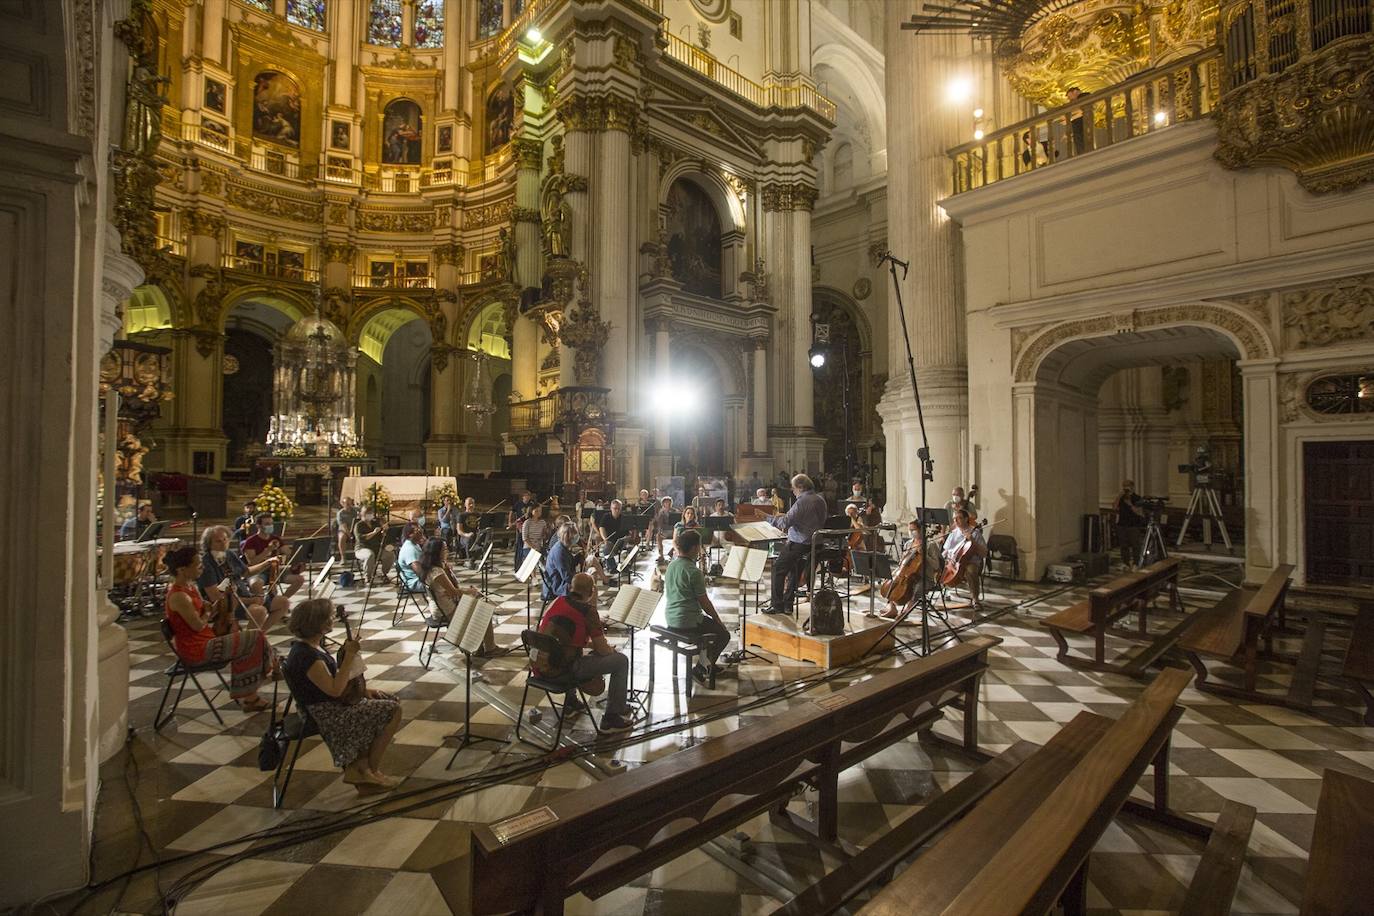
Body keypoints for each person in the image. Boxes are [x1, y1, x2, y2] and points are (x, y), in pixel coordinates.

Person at [283, 598, 403, 792]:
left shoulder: (312, 646)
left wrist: (363, 691)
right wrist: (347, 658)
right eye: (329, 617)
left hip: (327, 703)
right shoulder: (307, 657)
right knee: (393, 710)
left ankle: (362, 769)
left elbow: (330, 686)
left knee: (387, 699)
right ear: (319, 625)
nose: (333, 619)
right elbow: (335, 690)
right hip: (323, 712)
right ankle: (368, 773)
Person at [162, 546, 275, 712]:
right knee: (255, 638)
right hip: (196, 650)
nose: (202, 567)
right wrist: (208, 611)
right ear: (182, 569)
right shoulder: (179, 596)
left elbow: (207, 612)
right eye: (198, 565)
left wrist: (223, 599)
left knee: (253, 641)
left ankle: (251, 694)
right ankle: (253, 692)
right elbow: (198, 625)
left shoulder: (190, 588)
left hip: (206, 640)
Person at [534, 573, 634, 732]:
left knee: (574, 651)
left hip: (540, 667)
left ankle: (571, 701)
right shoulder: (587, 611)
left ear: (569, 588)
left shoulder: (557, 601)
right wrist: (610, 650)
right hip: (563, 671)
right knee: (621, 661)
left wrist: (594, 647)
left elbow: (561, 639)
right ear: (592, 591)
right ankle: (612, 717)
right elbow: (602, 649)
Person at [662, 529, 730, 683]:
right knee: (723, 634)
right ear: (693, 548)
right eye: (699, 546)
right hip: (688, 621)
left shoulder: (671, 565)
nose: (700, 549)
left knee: (710, 628)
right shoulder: (693, 571)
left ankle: (708, 663)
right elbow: (705, 603)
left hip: (671, 617)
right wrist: (717, 619)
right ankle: (701, 667)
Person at [198, 525, 288, 633]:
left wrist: (267, 563)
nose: (223, 543)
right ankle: (248, 644)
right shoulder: (206, 563)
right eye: (218, 541)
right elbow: (215, 596)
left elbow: (246, 572)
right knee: (259, 612)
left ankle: (259, 637)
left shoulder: (229, 554)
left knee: (283, 602)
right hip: (226, 605)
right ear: (209, 544)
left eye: (225, 539)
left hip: (244, 597)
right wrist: (252, 600)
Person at [418, 539, 496, 653]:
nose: (447, 551)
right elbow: (453, 592)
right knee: (484, 611)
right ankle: (490, 648)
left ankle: (478, 647)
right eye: (444, 549)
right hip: (445, 610)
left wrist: (447, 570)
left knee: (478, 604)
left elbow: (446, 591)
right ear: (436, 552)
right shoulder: (437, 572)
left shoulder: (430, 567)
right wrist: (471, 591)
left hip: (440, 605)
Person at [767, 474, 829, 614]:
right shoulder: (820, 499)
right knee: (794, 570)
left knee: (778, 568)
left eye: (794, 488)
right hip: (816, 543)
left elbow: (784, 523)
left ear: (800, 487)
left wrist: (766, 517)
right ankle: (788, 604)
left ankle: (777, 605)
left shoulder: (802, 501)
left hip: (800, 543)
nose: (793, 491)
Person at [242, 513, 304, 598]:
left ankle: (280, 601)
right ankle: (263, 604)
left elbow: (288, 553)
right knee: (255, 584)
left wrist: (297, 556)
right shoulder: (250, 541)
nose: (270, 526)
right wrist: (268, 550)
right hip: (258, 571)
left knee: (299, 579)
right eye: (267, 524)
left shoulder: (275, 538)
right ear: (258, 526)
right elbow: (252, 562)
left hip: (275, 570)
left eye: (271, 524)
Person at [941, 508, 988, 606]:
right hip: (954, 561)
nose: (956, 521)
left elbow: (984, 553)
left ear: (966, 519)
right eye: (954, 519)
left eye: (959, 518)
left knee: (970, 571)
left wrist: (973, 541)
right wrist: (946, 558)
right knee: (939, 566)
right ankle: (943, 590)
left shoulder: (975, 533)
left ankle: (975, 599)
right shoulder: (954, 533)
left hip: (971, 561)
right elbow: (946, 550)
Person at [352, 507, 396, 583]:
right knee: (369, 555)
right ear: (362, 514)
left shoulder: (375, 523)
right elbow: (361, 538)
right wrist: (373, 533)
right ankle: (368, 576)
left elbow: (382, 537)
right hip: (362, 548)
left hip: (376, 548)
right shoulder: (358, 525)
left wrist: (384, 531)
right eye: (367, 513)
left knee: (390, 554)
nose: (370, 515)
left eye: (371, 513)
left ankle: (384, 574)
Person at [1114, 479, 1146, 568]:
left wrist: (1130, 504)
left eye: (1127, 485)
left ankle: (1136, 563)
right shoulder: (1121, 498)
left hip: (1133, 525)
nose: (1125, 488)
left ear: (1132, 487)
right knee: (1123, 545)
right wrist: (1119, 496)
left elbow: (1139, 512)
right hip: (1122, 524)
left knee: (1136, 545)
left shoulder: (1137, 498)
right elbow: (1115, 507)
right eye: (1124, 486)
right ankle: (1125, 563)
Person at [597, 499, 636, 573]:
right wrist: (605, 539)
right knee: (606, 549)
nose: (617, 510)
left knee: (632, 549)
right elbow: (601, 528)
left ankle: (625, 566)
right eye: (615, 508)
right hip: (610, 541)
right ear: (611, 508)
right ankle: (612, 567)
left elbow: (628, 531)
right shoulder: (606, 517)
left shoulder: (624, 517)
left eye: (618, 508)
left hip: (622, 541)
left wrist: (630, 536)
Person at [544, 522, 578, 600]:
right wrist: (582, 578)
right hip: (559, 586)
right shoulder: (559, 551)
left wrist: (578, 557)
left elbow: (569, 564)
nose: (576, 537)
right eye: (575, 535)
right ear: (568, 537)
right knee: (587, 585)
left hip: (561, 581)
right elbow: (566, 576)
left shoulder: (563, 546)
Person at [396, 524, 426, 593]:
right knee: (442, 585)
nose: (421, 531)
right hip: (414, 583)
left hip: (418, 580)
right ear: (410, 534)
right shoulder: (410, 549)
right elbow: (420, 572)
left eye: (420, 529)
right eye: (417, 530)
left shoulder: (415, 544)